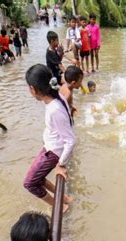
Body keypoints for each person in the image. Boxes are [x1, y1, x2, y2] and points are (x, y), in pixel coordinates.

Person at [23, 64, 76, 209]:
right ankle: (65, 199)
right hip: (50, 146)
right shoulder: (57, 96)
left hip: (53, 151)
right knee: (35, 177)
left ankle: (60, 207)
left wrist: (61, 164)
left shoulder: (54, 109)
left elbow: (70, 140)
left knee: (29, 183)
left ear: (33, 89)